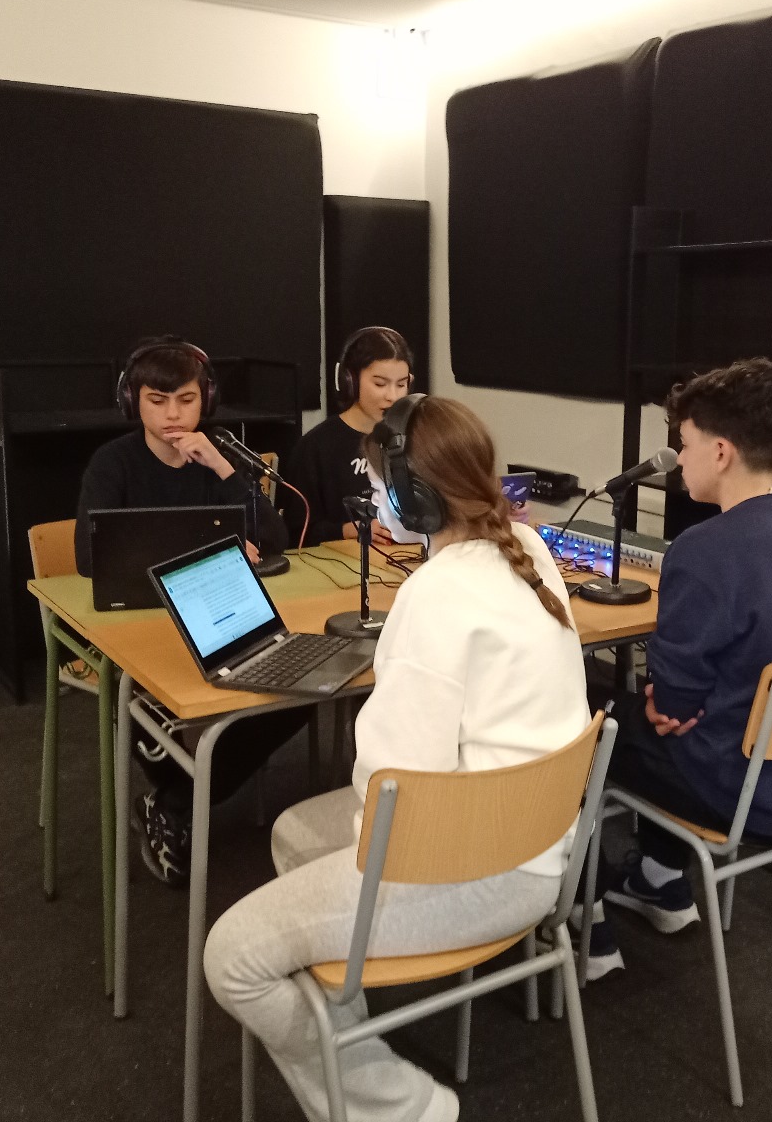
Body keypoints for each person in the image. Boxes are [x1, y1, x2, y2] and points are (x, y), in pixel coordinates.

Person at [204, 394, 591, 1122]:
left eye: (383, 485)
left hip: (478, 870)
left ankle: (401, 1109)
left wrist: (363, 871)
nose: (376, 500)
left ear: (415, 497)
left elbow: (396, 788)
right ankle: (344, 1025)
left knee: (233, 959)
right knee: (293, 832)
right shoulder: (529, 549)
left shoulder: (435, 596)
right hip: (543, 847)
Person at [585, 358, 772, 979]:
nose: (679, 460)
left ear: (720, 453)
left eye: (685, 444)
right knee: (671, 720)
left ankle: (584, 920)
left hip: (747, 791)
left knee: (583, 722)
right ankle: (660, 880)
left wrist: (676, 707)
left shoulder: (702, 550)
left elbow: (672, 708)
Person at [76, 336, 298, 886]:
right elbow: (88, 556)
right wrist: (214, 550)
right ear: (133, 402)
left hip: (216, 613)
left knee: (297, 694)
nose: (173, 414)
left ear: (207, 400)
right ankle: (178, 796)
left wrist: (223, 469)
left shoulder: (216, 457)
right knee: (149, 697)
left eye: (186, 399)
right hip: (138, 620)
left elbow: (276, 539)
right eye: (158, 400)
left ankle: (172, 802)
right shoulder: (112, 463)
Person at [279, 326, 413, 547]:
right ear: (350, 381)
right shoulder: (316, 447)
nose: (393, 396)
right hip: (340, 560)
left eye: (401, 384)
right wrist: (347, 529)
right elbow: (295, 533)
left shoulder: (413, 438)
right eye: (380, 384)